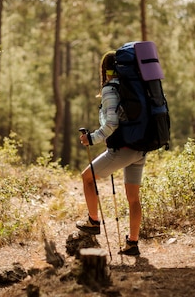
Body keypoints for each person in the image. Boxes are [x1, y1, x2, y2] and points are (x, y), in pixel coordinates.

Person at [77, 50, 146, 256]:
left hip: (122, 150)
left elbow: (112, 123)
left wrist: (91, 138)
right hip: (140, 149)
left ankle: (93, 221)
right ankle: (132, 244)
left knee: (87, 178)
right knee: (133, 199)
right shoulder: (135, 87)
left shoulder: (110, 89)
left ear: (105, 70)